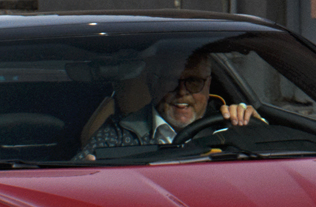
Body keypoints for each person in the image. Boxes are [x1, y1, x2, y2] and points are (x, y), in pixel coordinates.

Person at [81, 49, 256, 152]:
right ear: (152, 84)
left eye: (194, 82)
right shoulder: (118, 134)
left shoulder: (228, 127)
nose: (182, 92)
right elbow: (79, 178)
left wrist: (254, 128)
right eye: (171, 80)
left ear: (208, 85)